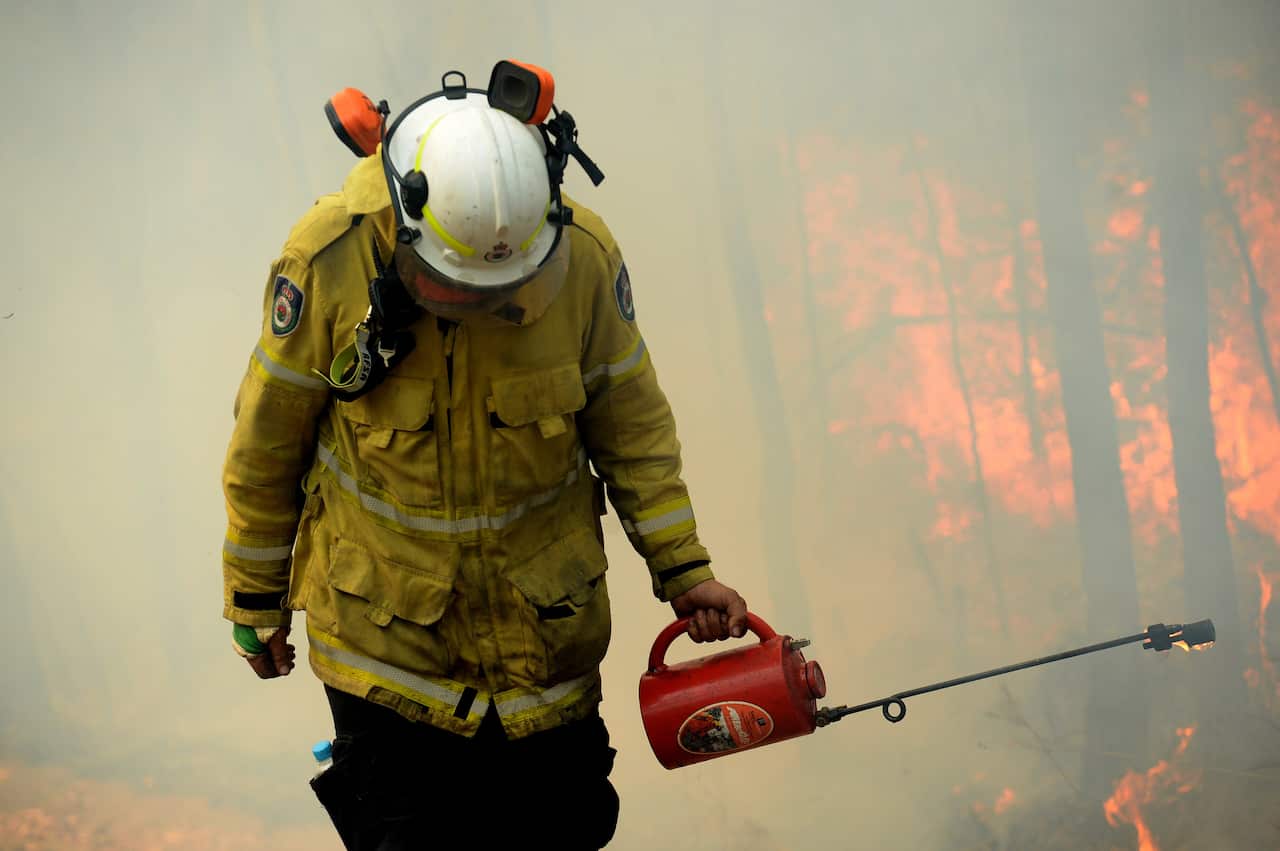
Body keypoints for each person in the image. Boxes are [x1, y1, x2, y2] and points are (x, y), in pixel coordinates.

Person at [219, 63, 748, 850]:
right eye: (452, 283)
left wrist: (684, 567)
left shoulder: (584, 258)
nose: (472, 300)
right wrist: (253, 601)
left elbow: (632, 427)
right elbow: (267, 444)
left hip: (548, 653)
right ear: (404, 226)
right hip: (388, 657)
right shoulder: (328, 261)